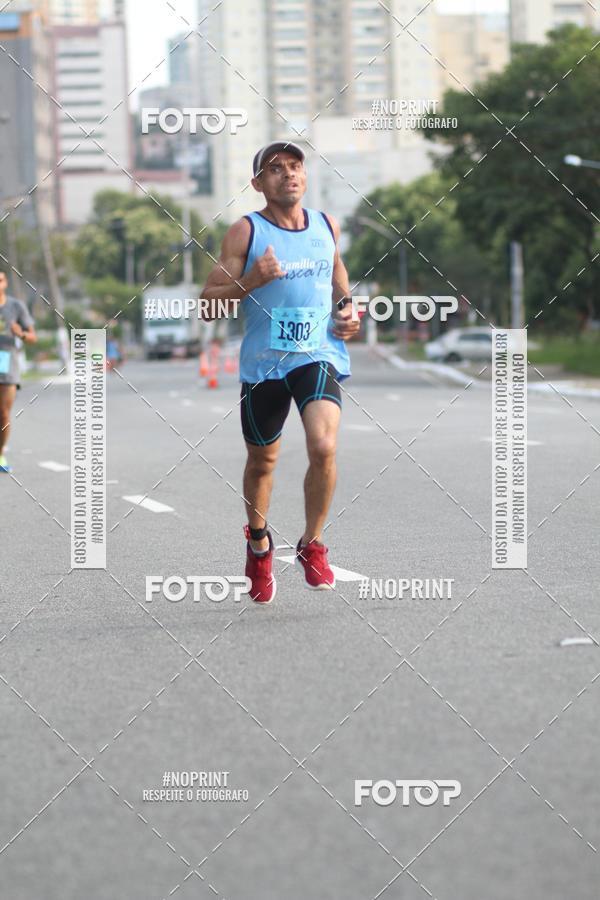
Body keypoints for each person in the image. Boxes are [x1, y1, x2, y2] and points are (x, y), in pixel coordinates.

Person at [201, 142, 360, 603]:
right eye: (275, 169)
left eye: (295, 166)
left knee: (324, 445)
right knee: (262, 462)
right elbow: (208, 303)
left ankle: (312, 544)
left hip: (317, 354)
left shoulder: (326, 225)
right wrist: (252, 280)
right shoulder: (245, 233)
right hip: (264, 364)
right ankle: (258, 544)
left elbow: (337, 273)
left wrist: (346, 310)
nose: (287, 174)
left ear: (305, 176)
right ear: (258, 184)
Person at [0, 270, 37, 473]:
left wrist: (20, 334)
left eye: (0, 280)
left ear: (5, 283)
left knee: (4, 414)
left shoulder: (15, 306)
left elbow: (33, 337)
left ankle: (0, 453)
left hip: (6, 361)